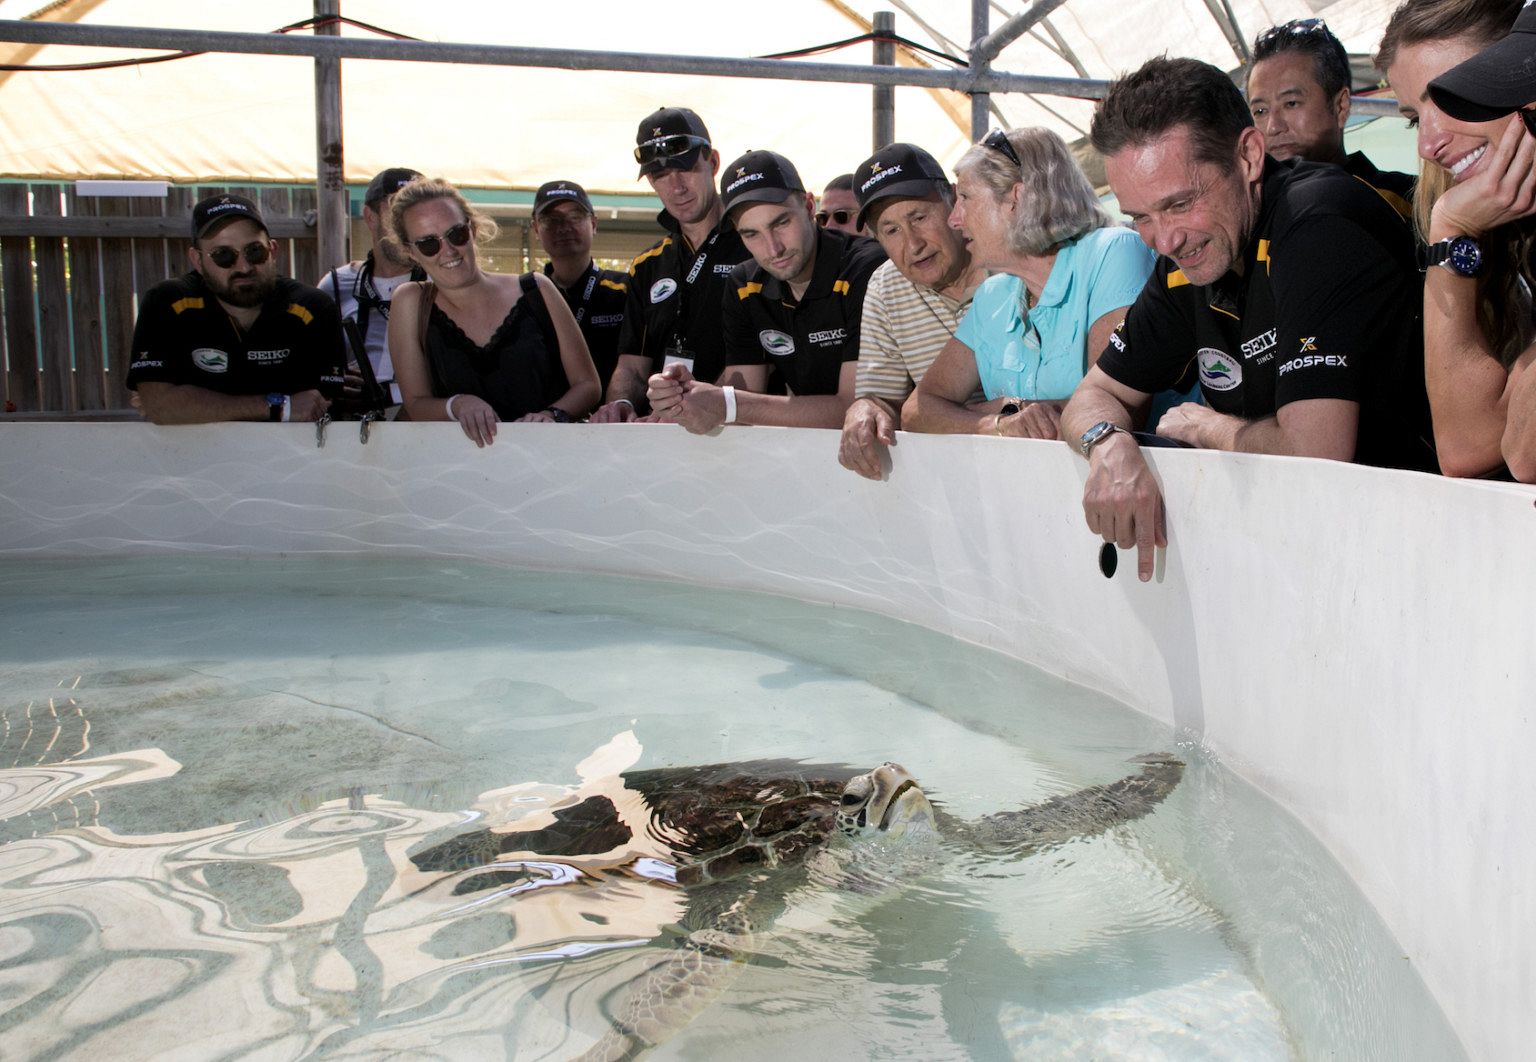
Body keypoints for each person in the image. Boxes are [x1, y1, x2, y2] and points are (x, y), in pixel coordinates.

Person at [1060, 56, 1436, 581]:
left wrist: (1208, 426)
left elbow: (1315, 452)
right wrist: (1108, 442)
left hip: (1425, 548)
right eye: (1140, 217)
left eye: (1180, 203)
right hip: (1324, 551)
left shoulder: (1317, 219)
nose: (1164, 240)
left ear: (1249, 156)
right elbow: (1093, 395)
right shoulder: (1187, 258)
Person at [903, 127, 1155, 444]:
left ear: (1016, 198)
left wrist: (1007, 411)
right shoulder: (993, 295)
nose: (955, 219)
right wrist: (997, 423)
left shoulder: (1114, 252)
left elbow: (1118, 409)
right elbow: (916, 410)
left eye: (965, 197)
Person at [1379, 0, 1535, 478]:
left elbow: (1523, 452)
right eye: (1414, 117)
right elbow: (1466, 448)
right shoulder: (1480, 226)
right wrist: (1449, 231)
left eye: (1452, 97)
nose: (1427, 146)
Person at [646, 149, 886, 431]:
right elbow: (742, 397)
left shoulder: (865, 267)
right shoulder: (745, 284)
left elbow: (857, 408)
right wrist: (686, 396)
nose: (773, 249)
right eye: (751, 234)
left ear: (809, 206)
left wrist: (727, 404)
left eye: (781, 223)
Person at [386, 178, 600, 447]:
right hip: (456, 465)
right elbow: (416, 403)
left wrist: (551, 415)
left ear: (472, 229)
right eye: (429, 244)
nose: (448, 250)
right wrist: (457, 405)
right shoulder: (411, 301)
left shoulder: (536, 289)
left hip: (545, 457)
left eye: (456, 234)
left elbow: (588, 384)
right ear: (411, 252)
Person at [589, 108, 750, 422]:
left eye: (685, 168)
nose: (676, 187)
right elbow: (632, 366)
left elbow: (764, 358)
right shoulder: (647, 264)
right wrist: (620, 402)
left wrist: (692, 410)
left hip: (740, 426)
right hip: (665, 430)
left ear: (713, 162)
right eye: (660, 176)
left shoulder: (756, 246)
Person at [837, 143, 988, 479]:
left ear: (954, 200)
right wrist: (864, 408)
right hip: (953, 476)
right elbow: (883, 400)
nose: (913, 244)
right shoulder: (885, 286)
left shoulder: (1005, 259)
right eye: (891, 230)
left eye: (919, 217)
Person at [126, 193, 343, 424]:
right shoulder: (168, 303)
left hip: (288, 447)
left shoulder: (313, 308)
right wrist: (280, 405)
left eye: (255, 251)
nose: (244, 267)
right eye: (223, 255)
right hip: (195, 448)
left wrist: (196, 402)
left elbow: (320, 406)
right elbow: (160, 405)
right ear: (197, 260)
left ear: (272, 250)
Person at [1246, 17, 1416, 218]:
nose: (1273, 127)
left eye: (1291, 103)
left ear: (1340, 106)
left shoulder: (1411, 204)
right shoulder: (1248, 220)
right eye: (1260, 111)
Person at [318, 166, 423, 415]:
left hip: (422, 425)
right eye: (397, 212)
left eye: (418, 214)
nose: (409, 226)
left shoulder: (444, 285)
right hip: (352, 429)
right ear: (370, 216)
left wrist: (392, 394)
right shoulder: (335, 284)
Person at [531, 179, 628, 397]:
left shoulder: (627, 290)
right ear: (536, 228)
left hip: (615, 414)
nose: (564, 227)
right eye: (551, 220)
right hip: (546, 416)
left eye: (575, 217)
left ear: (593, 223)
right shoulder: (527, 297)